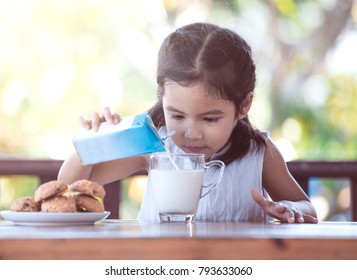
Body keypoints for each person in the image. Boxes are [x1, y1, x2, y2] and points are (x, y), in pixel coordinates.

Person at [58, 22, 318, 224]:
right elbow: (69, 186)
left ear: (243, 106)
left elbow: (306, 206)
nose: (191, 133)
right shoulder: (154, 147)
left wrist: (292, 209)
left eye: (210, 118)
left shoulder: (258, 152)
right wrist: (90, 145)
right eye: (178, 115)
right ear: (163, 100)